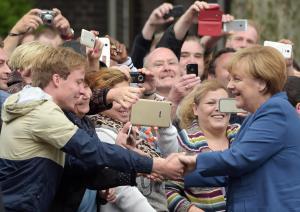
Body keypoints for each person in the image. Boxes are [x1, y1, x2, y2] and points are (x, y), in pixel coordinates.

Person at [0, 46, 183, 211]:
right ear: (56, 79)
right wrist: (155, 165)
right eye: (79, 82)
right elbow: (93, 151)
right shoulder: (41, 112)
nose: (84, 91)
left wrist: (136, 170)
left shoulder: (41, 106)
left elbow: (78, 168)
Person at [180, 46, 300, 211]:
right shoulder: (257, 115)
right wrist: (175, 174)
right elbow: (231, 172)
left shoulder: (276, 112)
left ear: (262, 83)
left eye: (236, 79)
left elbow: (238, 159)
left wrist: (193, 162)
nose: (229, 86)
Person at [86, 68, 178, 211]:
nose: (125, 105)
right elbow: (123, 191)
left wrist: (160, 113)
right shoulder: (99, 132)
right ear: (102, 99)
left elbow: (171, 156)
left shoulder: (133, 127)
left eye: (128, 97)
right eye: (117, 99)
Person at [166, 80, 239, 212]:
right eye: (211, 103)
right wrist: (191, 210)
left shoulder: (244, 135)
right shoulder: (182, 142)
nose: (218, 108)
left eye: (224, 103)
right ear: (195, 109)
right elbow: (167, 190)